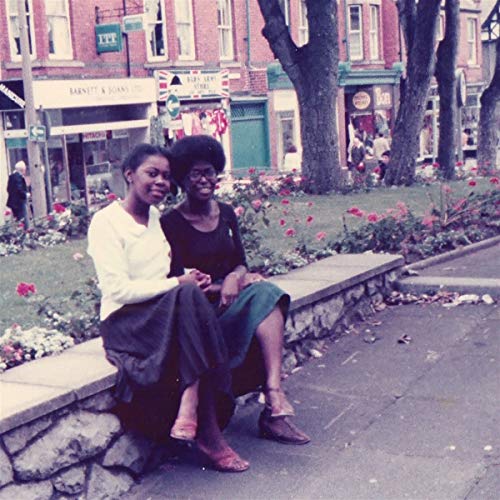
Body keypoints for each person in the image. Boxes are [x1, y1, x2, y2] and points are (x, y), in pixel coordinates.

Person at [87, 143, 249, 473]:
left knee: (190, 296)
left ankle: (194, 408)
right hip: (124, 321)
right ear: (129, 175)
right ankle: (203, 423)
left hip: (160, 313)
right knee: (187, 297)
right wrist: (178, 283)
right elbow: (118, 290)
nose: (161, 182)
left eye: (166, 176)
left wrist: (190, 277)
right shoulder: (106, 222)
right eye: (152, 173)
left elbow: (164, 275)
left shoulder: (154, 217)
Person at [161, 135, 310, 445]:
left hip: (232, 300)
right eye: (195, 173)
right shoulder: (171, 223)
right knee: (264, 297)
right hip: (200, 312)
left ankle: (274, 396)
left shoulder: (226, 213)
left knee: (268, 293)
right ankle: (273, 406)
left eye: (209, 172)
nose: (204, 180)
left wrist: (234, 277)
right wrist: (222, 285)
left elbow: (241, 263)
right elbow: (176, 279)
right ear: (182, 179)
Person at [6, 160, 29, 226]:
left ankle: (19, 230)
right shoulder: (18, 177)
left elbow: (8, 189)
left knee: (17, 219)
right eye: (24, 169)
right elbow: (19, 189)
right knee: (23, 219)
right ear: (22, 169)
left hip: (13, 202)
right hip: (19, 201)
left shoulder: (11, 177)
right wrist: (25, 194)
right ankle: (25, 231)